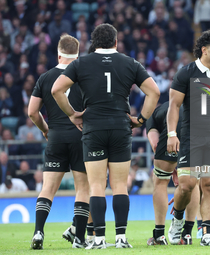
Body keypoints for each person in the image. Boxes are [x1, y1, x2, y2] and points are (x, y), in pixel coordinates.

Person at [51, 23, 160, 249]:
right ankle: (121, 238)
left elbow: (56, 90)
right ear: (116, 42)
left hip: (93, 129)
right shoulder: (130, 63)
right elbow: (154, 92)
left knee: (97, 185)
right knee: (120, 185)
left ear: (93, 43)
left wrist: (72, 114)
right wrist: (140, 120)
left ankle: (99, 238)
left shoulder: (81, 63)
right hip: (121, 128)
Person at [167, 30, 210, 246]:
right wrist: (171, 133)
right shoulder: (186, 73)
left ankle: (206, 234)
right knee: (187, 184)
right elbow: (174, 105)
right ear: (204, 50)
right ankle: (177, 218)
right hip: (190, 137)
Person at [28, 34, 90, 249]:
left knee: (48, 188)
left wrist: (45, 129)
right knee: (83, 188)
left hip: (55, 137)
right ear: (78, 53)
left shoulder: (45, 78)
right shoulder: (85, 77)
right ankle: (79, 239)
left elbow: (32, 112)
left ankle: (38, 233)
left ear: (58, 53)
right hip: (81, 138)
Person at [146, 101, 200, 245]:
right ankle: (187, 233)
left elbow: (156, 145)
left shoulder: (155, 113)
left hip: (173, 130)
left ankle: (159, 235)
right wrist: (179, 168)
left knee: (160, 181)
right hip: (197, 128)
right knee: (193, 182)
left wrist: (171, 169)